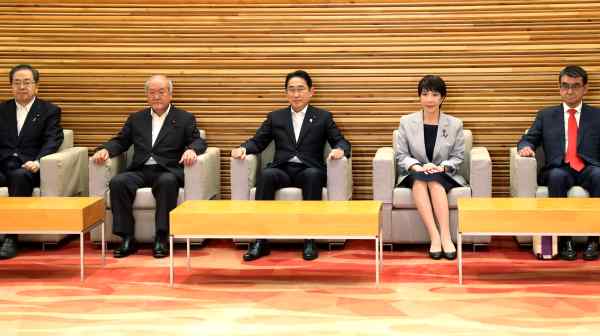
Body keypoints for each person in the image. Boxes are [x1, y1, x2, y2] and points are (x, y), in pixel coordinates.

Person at [231, 70, 351, 261]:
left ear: (312, 92)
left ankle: (309, 239)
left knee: (312, 176)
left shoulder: (323, 117)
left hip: (309, 169)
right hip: (283, 168)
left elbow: (342, 141)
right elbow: (258, 141)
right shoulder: (276, 117)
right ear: (286, 93)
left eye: (301, 89)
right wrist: (243, 149)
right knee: (267, 175)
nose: (296, 94)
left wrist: (339, 150)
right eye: (292, 90)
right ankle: (261, 241)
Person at [91, 75, 206, 259]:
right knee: (118, 182)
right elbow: (121, 141)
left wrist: (192, 150)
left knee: (167, 182)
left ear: (170, 94)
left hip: (167, 170)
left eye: (161, 92)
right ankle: (127, 237)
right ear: (147, 95)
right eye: (152, 93)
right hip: (140, 170)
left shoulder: (184, 118)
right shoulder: (136, 118)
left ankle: (161, 237)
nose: (156, 97)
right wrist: (105, 149)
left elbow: (198, 140)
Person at [518, 65, 600, 261]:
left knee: (599, 175)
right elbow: (529, 138)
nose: (569, 91)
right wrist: (526, 146)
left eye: (575, 86)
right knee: (556, 176)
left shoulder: (597, 115)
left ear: (585, 89)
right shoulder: (546, 115)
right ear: (559, 88)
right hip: (559, 167)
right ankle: (565, 240)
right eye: (565, 86)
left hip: (588, 167)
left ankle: (594, 240)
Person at [395, 75, 464, 260]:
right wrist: (416, 166)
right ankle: (435, 236)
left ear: (442, 98)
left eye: (435, 94)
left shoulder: (455, 124)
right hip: (415, 172)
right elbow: (401, 155)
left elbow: (457, 157)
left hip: (442, 173)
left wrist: (442, 167)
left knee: (433, 181)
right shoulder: (406, 122)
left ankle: (446, 236)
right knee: (420, 181)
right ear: (419, 97)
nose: (429, 99)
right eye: (425, 94)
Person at [0, 64, 64, 260]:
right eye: (17, 83)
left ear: (36, 86)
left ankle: (11, 237)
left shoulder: (49, 111)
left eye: (27, 82)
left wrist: (38, 161)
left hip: (28, 168)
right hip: (3, 165)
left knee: (19, 176)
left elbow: (53, 140)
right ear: (11, 86)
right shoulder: (3, 109)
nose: (21, 87)